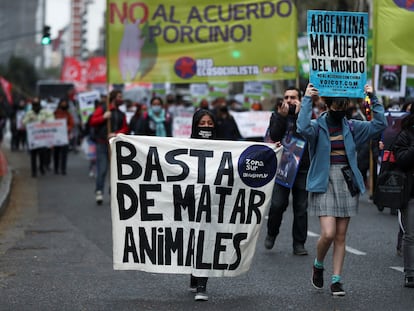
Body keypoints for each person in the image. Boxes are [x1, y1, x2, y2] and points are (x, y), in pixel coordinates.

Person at [297, 83, 387, 296]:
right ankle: (318, 265)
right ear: (327, 105)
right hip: (323, 181)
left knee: (340, 235)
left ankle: (336, 279)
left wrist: (373, 97)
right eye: (336, 106)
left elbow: (380, 125)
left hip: (346, 182)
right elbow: (301, 128)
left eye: (343, 105)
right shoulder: (316, 127)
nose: (340, 109)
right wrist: (307, 98)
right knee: (327, 233)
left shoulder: (353, 127)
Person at [264, 86, 311, 256]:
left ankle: (299, 243)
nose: (289, 100)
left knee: (301, 207)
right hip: (282, 167)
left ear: (300, 99)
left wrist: (300, 113)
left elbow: (305, 132)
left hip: (302, 167)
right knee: (277, 204)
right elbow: (275, 136)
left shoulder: (307, 115)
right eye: (287, 97)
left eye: (293, 97)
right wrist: (282, 118)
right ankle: (271, 232)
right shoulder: (277, 115)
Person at [188, 108, 217, 301]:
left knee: (205, 238)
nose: (206, 127)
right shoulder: (186, 145)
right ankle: (193, 273)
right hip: (189, 199)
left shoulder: (224, 147)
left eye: (209, 124)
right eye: (202, 124)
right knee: (191, 238)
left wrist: (271, 149)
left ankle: (201, 284)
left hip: (212, 201)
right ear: (195, 125)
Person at [89, 90, 129, 204]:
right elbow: (92, 121)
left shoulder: (121, 114)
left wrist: (116, 134)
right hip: (102, 143)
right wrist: (103, 117)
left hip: (115, 144)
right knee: (102, 169)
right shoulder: (102, 109)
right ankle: (99, 192)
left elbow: (125, 128)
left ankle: (114, 193)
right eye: (119, 96)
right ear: (113, 98)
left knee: (115, 170)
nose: (121, 99)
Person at [393, 104, 414, 288]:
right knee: (411, 234)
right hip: (410, 191)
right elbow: (402, 160)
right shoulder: (405, 135)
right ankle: (410, 273)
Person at [22, 98, 54, 177]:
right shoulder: (29, 113)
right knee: (33, 155)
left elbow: (52, 120)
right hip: (33, 137)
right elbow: (23, 122)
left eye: (37, 103)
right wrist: (29, 119)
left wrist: (45, 121)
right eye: (34, 104)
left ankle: (41, 167)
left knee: (42, 154)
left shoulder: (45, 112)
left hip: (42, 137)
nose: (36, 105)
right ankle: (34, 171)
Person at [53, 98, 74, 175]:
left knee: (64, 154)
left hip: (65, 136)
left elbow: (72, 123)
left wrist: (68, 128)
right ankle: (56, 168)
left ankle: (63, 169)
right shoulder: (55, 113)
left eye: (65, 103)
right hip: (56, 136)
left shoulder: (68, 114)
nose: (64, 104)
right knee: (56, 153)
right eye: (63, 103)